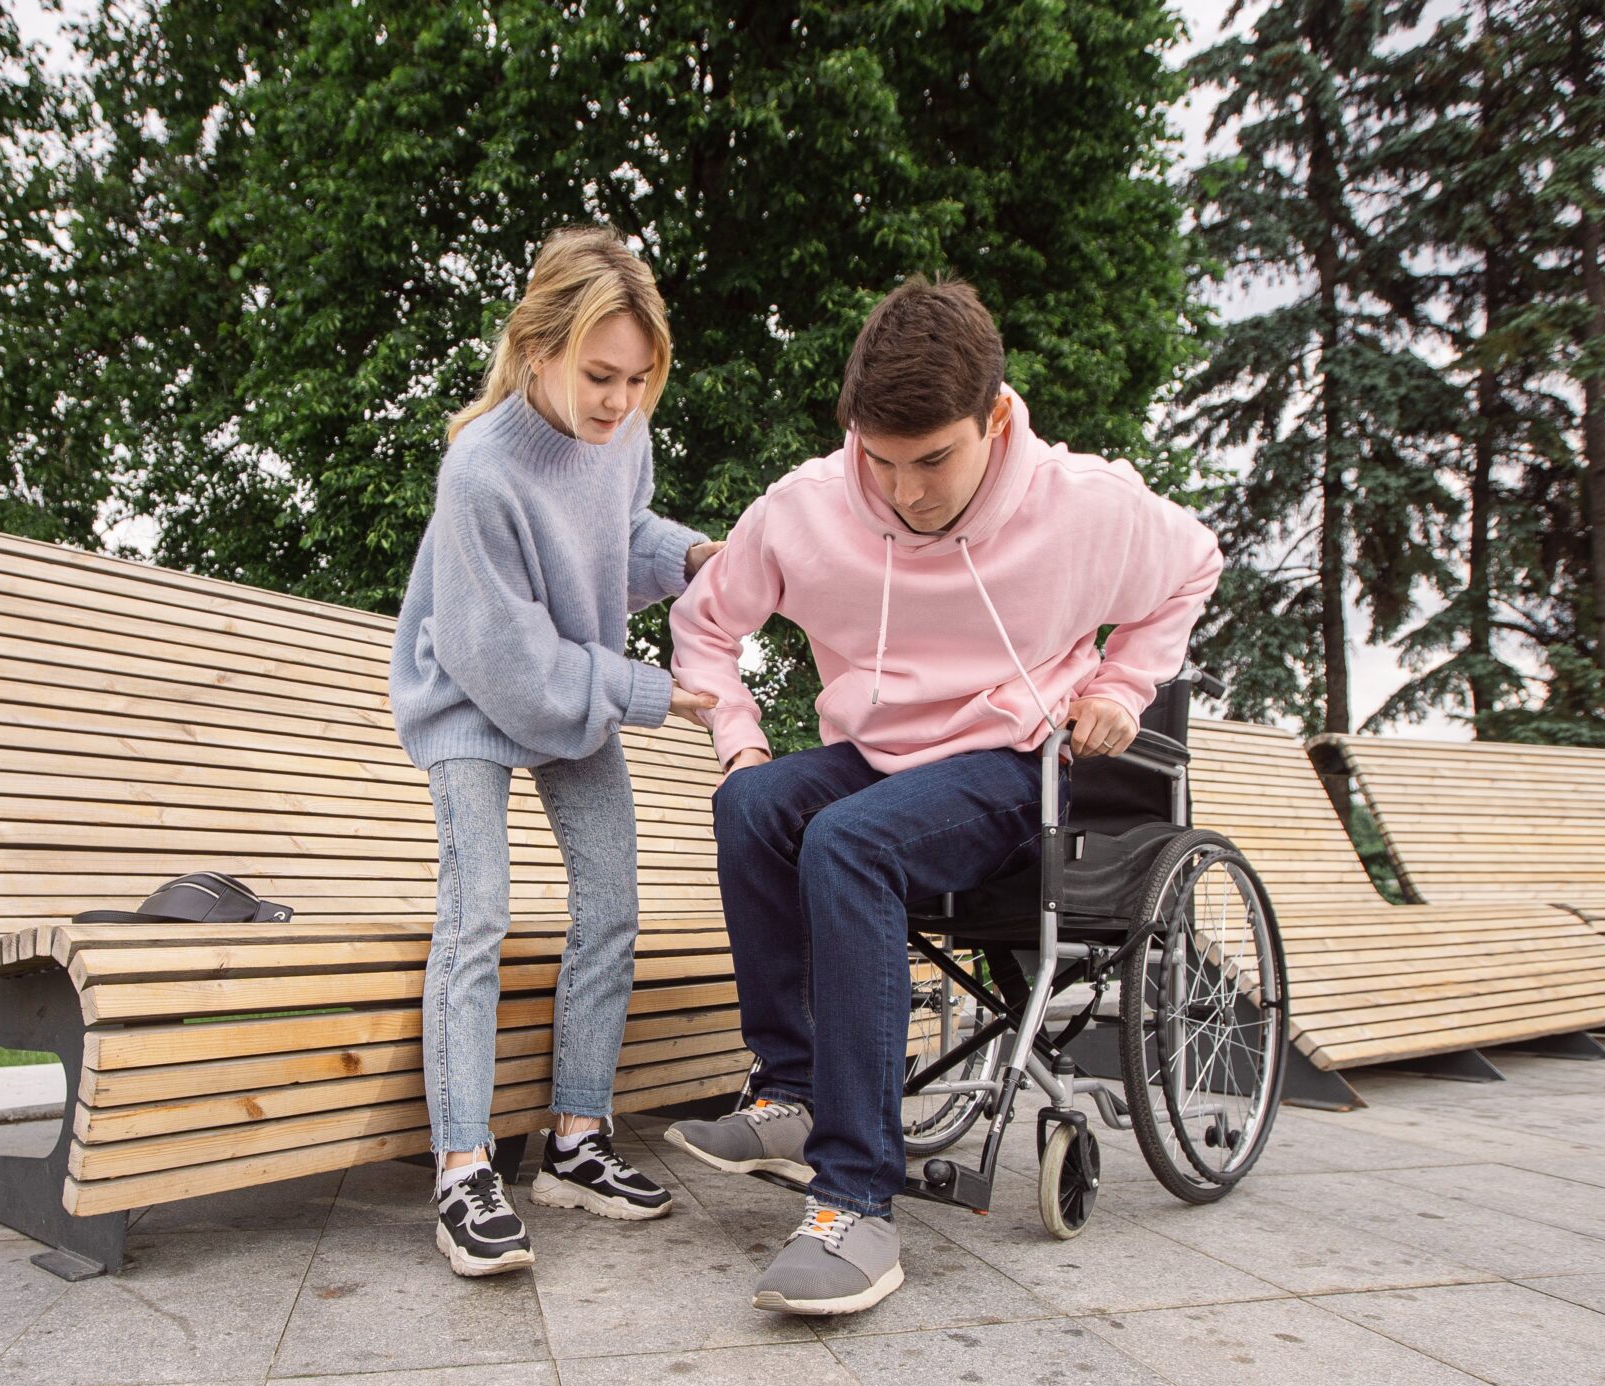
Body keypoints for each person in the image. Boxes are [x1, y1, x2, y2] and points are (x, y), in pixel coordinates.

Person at [663, 277, 1222, 1316]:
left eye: (933, 459)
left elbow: (1193, 564)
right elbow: (704, 623)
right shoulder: (803, 510)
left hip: (1010, 767)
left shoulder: (1085, 506)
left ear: (994, 420)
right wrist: (738, 742)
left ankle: (855, 1206)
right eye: (880, 459)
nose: (907, 491)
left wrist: (1119, 684)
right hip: (876, 757)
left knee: (846, 844)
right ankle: (790, 1090)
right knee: (754, 807)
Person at [390, 226, 722, 1278]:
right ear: (535, 349)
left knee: (611, 907)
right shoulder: (479, 469)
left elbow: (612, 545)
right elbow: (507, 661)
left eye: (635, 379)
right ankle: (460, 1166)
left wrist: (691, 556)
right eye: (596, 375)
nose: (617, 401)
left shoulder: (623, 438)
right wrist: (656, 693)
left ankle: (574, 1144)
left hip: (562, 680)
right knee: (477, 911)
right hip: (474, 692)